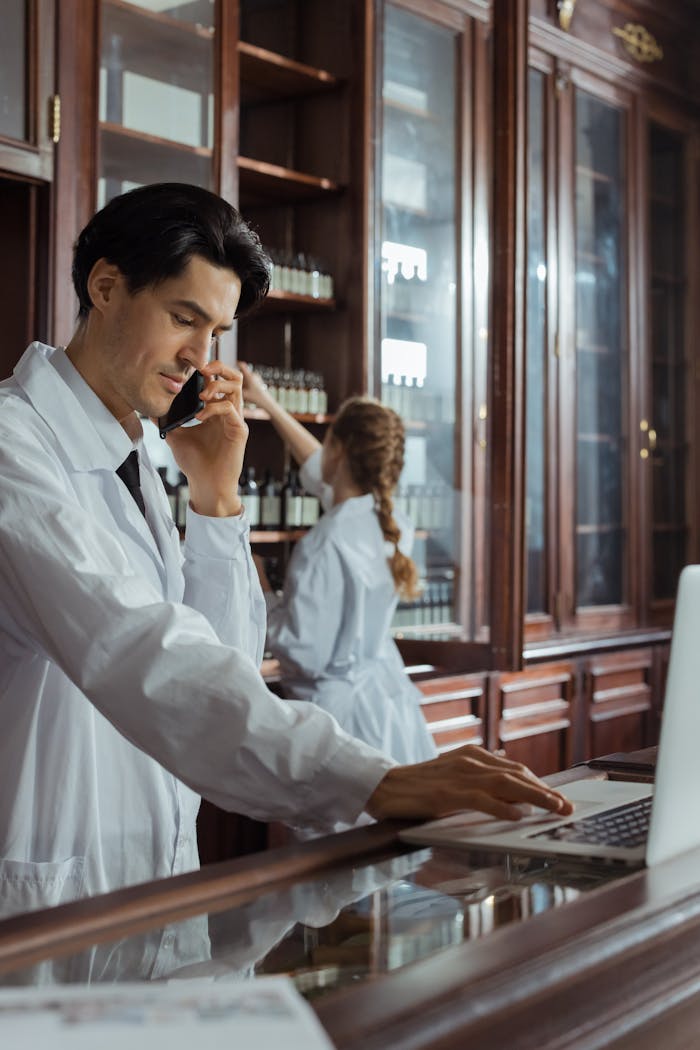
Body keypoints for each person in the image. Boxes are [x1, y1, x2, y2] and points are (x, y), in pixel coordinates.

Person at [0, 182, 572, 919]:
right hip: (51, 892)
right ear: (105, 286)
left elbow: (225, 661)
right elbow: (137, 647)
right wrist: (369, 780)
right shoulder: (16, 449)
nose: (199, 360)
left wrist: (217, 500)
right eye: (185, 319)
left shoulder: (140, 453)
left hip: (149, 876)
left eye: (216, 334)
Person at [240, 368, 436, 766]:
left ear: (341, 450)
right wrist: (265, 401)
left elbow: (304, 650)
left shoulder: (325, 542)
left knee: (346, 826)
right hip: (388, 704)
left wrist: (262, 591)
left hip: (338, 717)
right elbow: (318, 467)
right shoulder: (392, 520)